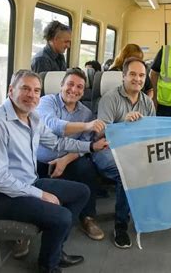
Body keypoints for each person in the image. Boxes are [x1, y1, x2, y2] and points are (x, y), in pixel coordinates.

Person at [0, 70, 108, 272]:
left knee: (82, 192)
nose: (32, 95)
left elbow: (56, 143)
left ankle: (54, 251)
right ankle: (48, 267)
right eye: (25, 89)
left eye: (36, 90)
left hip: (26, 183)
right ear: (11, 90)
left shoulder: (33, 118)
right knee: (61, 216)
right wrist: (41, 194)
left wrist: (90, 147)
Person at [36, 68, 106, 241]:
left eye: (79, 87)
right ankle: (25, 233)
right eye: (70, 84)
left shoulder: (86, 113)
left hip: (68, 159)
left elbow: (83, 146)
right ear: (61, 85)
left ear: (83, 92)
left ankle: (88, 217)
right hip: (39, 160)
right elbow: (52, 125)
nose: (74, 90)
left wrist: (64, 160)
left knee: (87, 168)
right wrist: (86, 126)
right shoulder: (46, 102)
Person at [94, 57, 155, 248]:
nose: (137, 79)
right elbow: (100, 132)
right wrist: (123, 125)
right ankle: (120, 225)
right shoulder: (110, 98)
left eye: (142, 75)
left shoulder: (147, 102)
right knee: (127, 172)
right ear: (123, 76)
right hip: (106, 149)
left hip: (134, 151)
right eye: (133, 74)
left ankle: (142, 213)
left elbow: (152, 132)